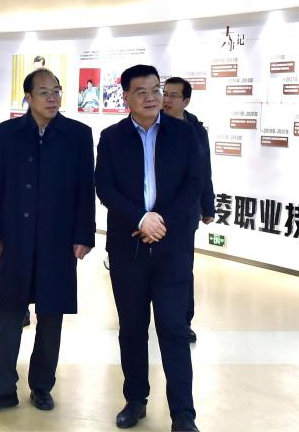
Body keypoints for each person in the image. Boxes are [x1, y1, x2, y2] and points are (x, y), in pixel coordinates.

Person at [0, 69, 95, 413]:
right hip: (16, 236)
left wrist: (84, 234)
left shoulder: (77, 134)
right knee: (9, 314)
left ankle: (42, 385)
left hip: (59, 240)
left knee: (51, 315)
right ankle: (2, 389)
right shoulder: (7, 133)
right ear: (27, 97)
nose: (52, 98)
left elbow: (85, 189)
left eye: (57, 91)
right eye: (44, 92)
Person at [95, 64, 203, 432]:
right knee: (132, 328)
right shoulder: (111, 137)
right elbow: (105, 186)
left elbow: (193, 184)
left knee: (174, 329)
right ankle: (135, 399)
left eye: (155, 89)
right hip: (129, 248)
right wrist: (141, 219)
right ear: (126, 97)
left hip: (172, 248)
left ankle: (183, 413)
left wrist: (161, 221)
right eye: (141, 91)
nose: (152, 97)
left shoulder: (184, 134)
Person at [162, 77, 216, 343]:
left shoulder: (196, 130)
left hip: (185, 214)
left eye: (174, 95)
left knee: (183, 270)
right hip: (156, 213)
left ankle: (184, 322)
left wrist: (208, 206)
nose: (167, 100)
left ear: (186, 100)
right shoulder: (153, 124)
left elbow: (204, 171)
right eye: (165, 93)